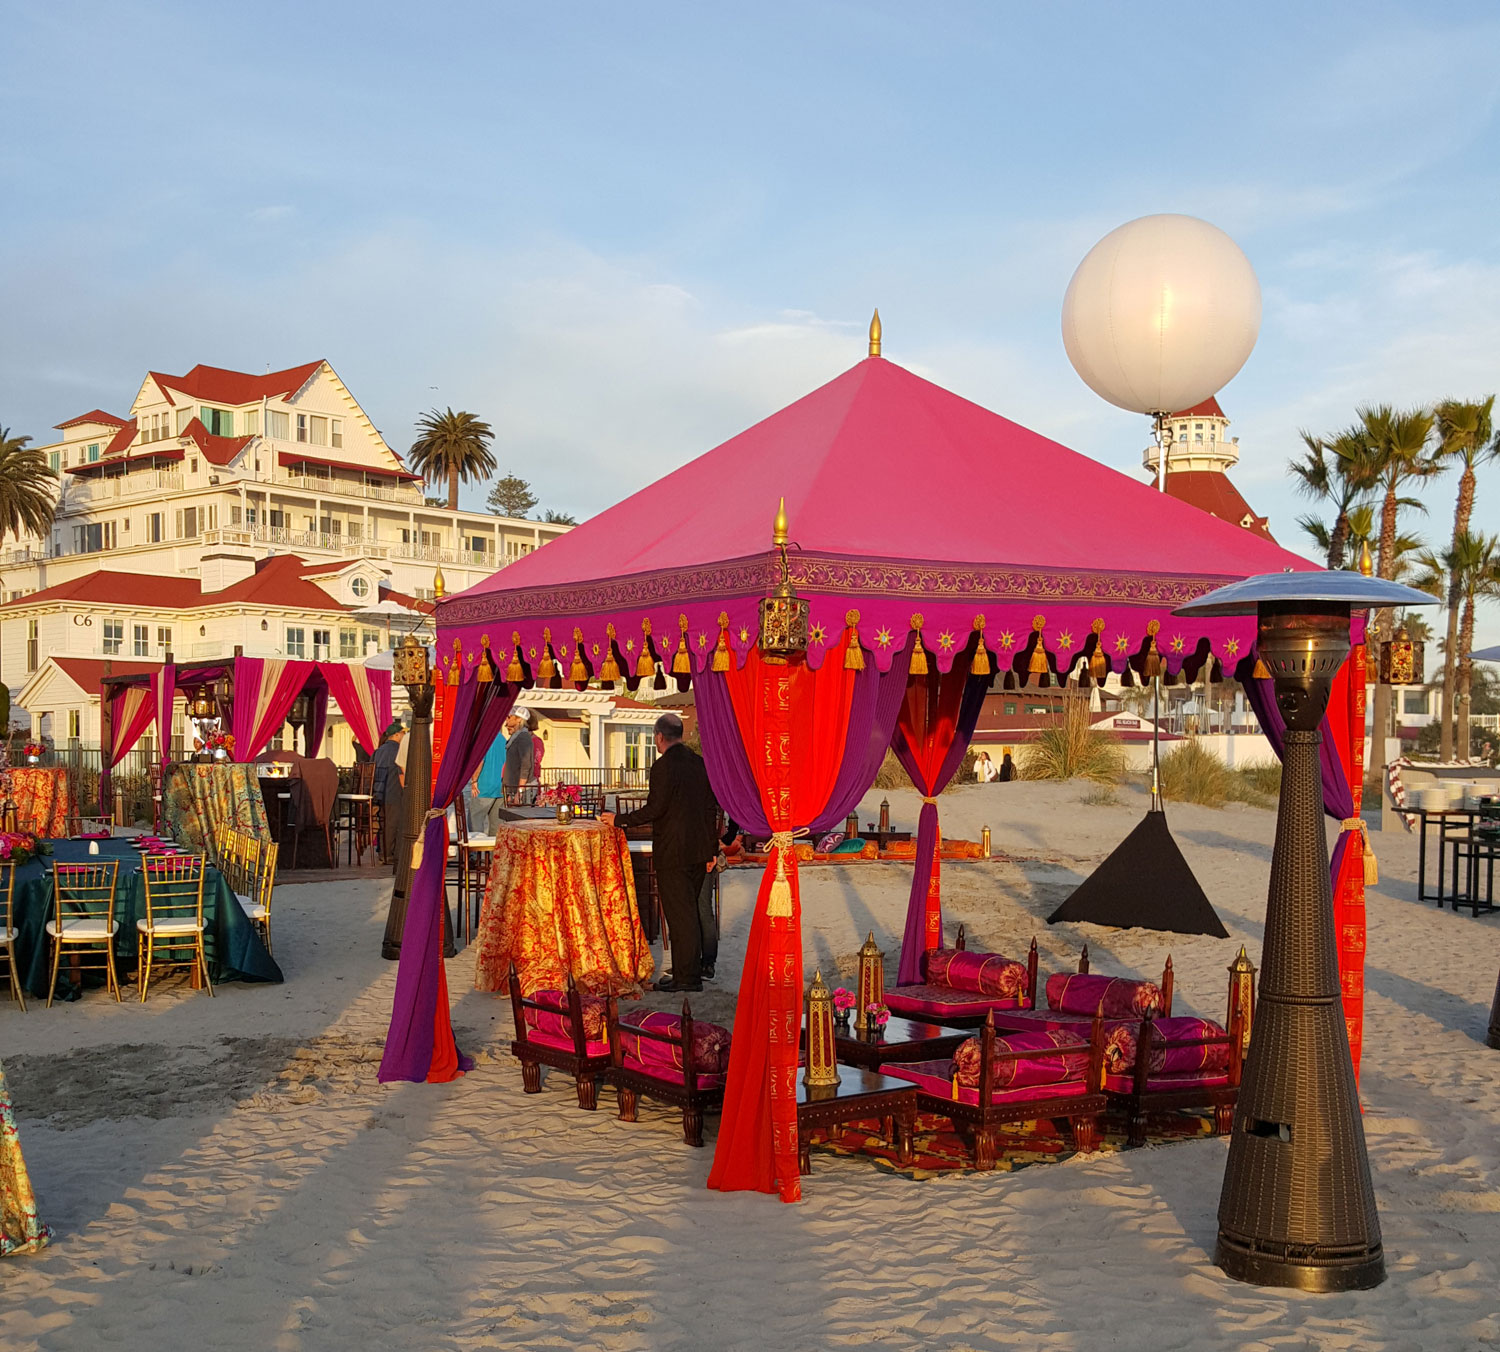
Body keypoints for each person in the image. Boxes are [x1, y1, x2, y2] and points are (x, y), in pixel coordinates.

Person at [601, 713, 718, 991]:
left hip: (673, 851)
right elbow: (710, 809)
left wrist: (619, 820)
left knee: (680, 916)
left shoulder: (663, 767)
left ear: (659, 737)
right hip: (700, 850)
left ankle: (686, 978)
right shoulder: (701, 765)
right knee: (689, 911)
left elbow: (655, 809)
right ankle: (687, 970)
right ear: (681, 734)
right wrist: (713, 849)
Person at [372, 720, 405, 865]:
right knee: (393, 824)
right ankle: (388, 855)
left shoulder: (378, 751)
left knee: (383, 823)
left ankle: (382, 852)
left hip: (378, 792)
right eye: (403, 733)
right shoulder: (398, 751)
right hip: (393, 792)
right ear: (397, 735)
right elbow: (401, 773)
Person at [468, 723, 509, 833]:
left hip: (483, 786)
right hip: (500, 787)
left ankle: (475, 850)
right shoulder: (503, 739)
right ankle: (493, 850)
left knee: (475, 822)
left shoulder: (484, 740)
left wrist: (474, 780)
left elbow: (479, 761)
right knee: (496, 826)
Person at [501, 707, 536, 805]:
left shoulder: (523, 737)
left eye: (509, 717)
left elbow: (526, 765)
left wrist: (520, 792)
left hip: (521, 788)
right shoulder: (515, 737)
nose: (507, 720)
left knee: (520, 818)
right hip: (511, 786)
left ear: (519, 719)